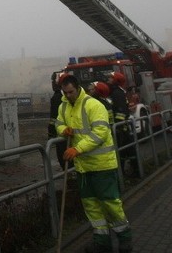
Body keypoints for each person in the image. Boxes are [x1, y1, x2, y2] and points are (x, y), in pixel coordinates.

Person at [56, 74, 132, 253]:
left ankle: (124, 238)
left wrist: (78, 149)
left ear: (77, 88)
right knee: (91, 206)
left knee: (110, 203)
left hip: (101, 165)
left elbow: (100, 133)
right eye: (65, 93)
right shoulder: (63, 106)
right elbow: (58, 124)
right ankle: (102, 241)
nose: (68, 95)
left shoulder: (94, 105)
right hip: (83, 167)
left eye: (71, 92)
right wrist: (63, 130)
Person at [108, 71, 137, 176]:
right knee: (126, 150)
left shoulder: (117, 93)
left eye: (111, 78)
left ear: (116, 81)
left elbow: (120, 111)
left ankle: (132, 172)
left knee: (124, 150)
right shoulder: (118, 92)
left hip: (121, 128)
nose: (108, 80)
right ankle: (131, 172)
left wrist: (118, 126)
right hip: (122, 127)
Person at [48, 72, 66, 169]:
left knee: (63, 159)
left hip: (61, 135)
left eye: (53, 82)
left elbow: (53, 119)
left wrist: (51, 135)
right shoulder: (67, 96)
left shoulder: (57, 98)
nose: (52, 84)